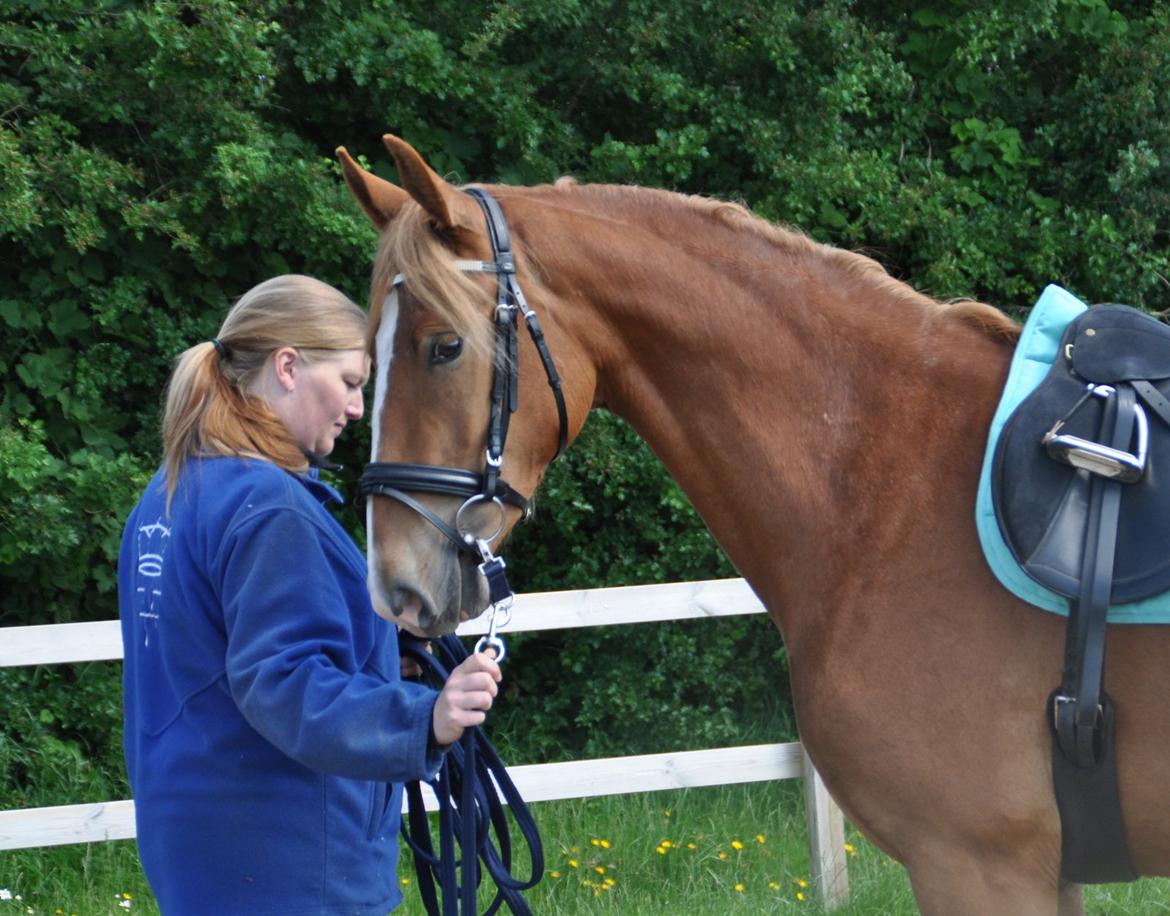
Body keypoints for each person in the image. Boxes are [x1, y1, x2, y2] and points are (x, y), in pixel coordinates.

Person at [118, 274, 502, 914]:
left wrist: (382, 654)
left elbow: (213, 658)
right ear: (288, 367)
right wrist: (424, 721)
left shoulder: (167, 496)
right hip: (292, 863)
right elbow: (283, 682)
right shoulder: (271, 508)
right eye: (350, 383)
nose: (357, 408)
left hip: (203, 854)